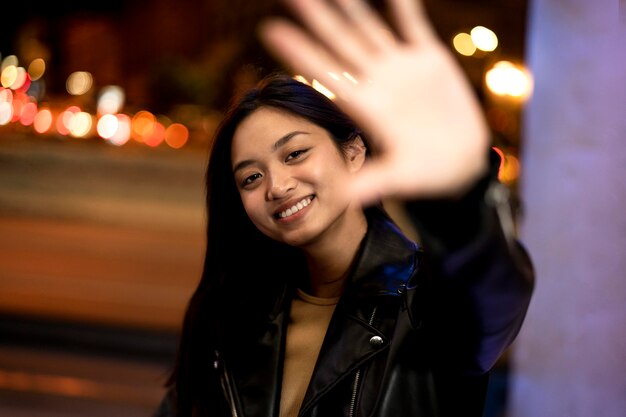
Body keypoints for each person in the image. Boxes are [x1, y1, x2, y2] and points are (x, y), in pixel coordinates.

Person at [155, 0, 534, 416]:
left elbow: (494, 294)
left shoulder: (425, 305)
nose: (277, 186)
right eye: (251, 178)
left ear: (353, 151)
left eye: (295, 153)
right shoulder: (229, 317)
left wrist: (462, 194)